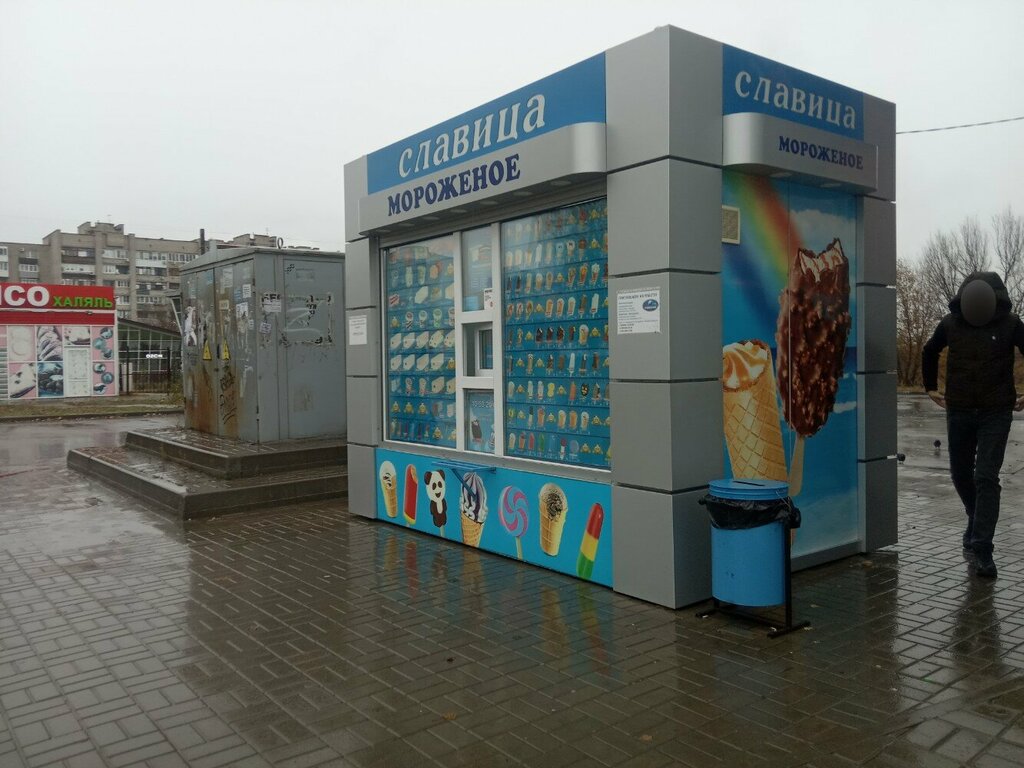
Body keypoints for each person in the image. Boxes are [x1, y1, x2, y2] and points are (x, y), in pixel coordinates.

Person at [923, 272, 1024, 578]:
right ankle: (974, 514)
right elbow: (930, 350)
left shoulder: (1011, 324)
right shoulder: (950, 324)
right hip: (960, 410)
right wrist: (930, 387)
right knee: (960, 473)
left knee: (986, 476)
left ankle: (982, 548)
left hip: (997, 411)